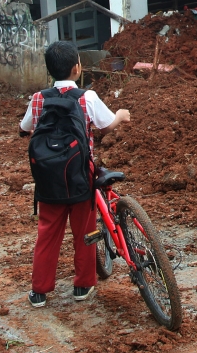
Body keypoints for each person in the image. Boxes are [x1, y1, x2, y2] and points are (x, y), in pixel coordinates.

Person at [20, 41, 130, 308]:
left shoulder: (38, 98)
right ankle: (82, 285)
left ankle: (39, 292)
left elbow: (25, 128)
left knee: (47, 233)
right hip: (80, 175)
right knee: (85, 230)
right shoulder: (86, 97)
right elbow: (105, 127)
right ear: (77, 68)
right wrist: (121, 116)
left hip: (49, 179)